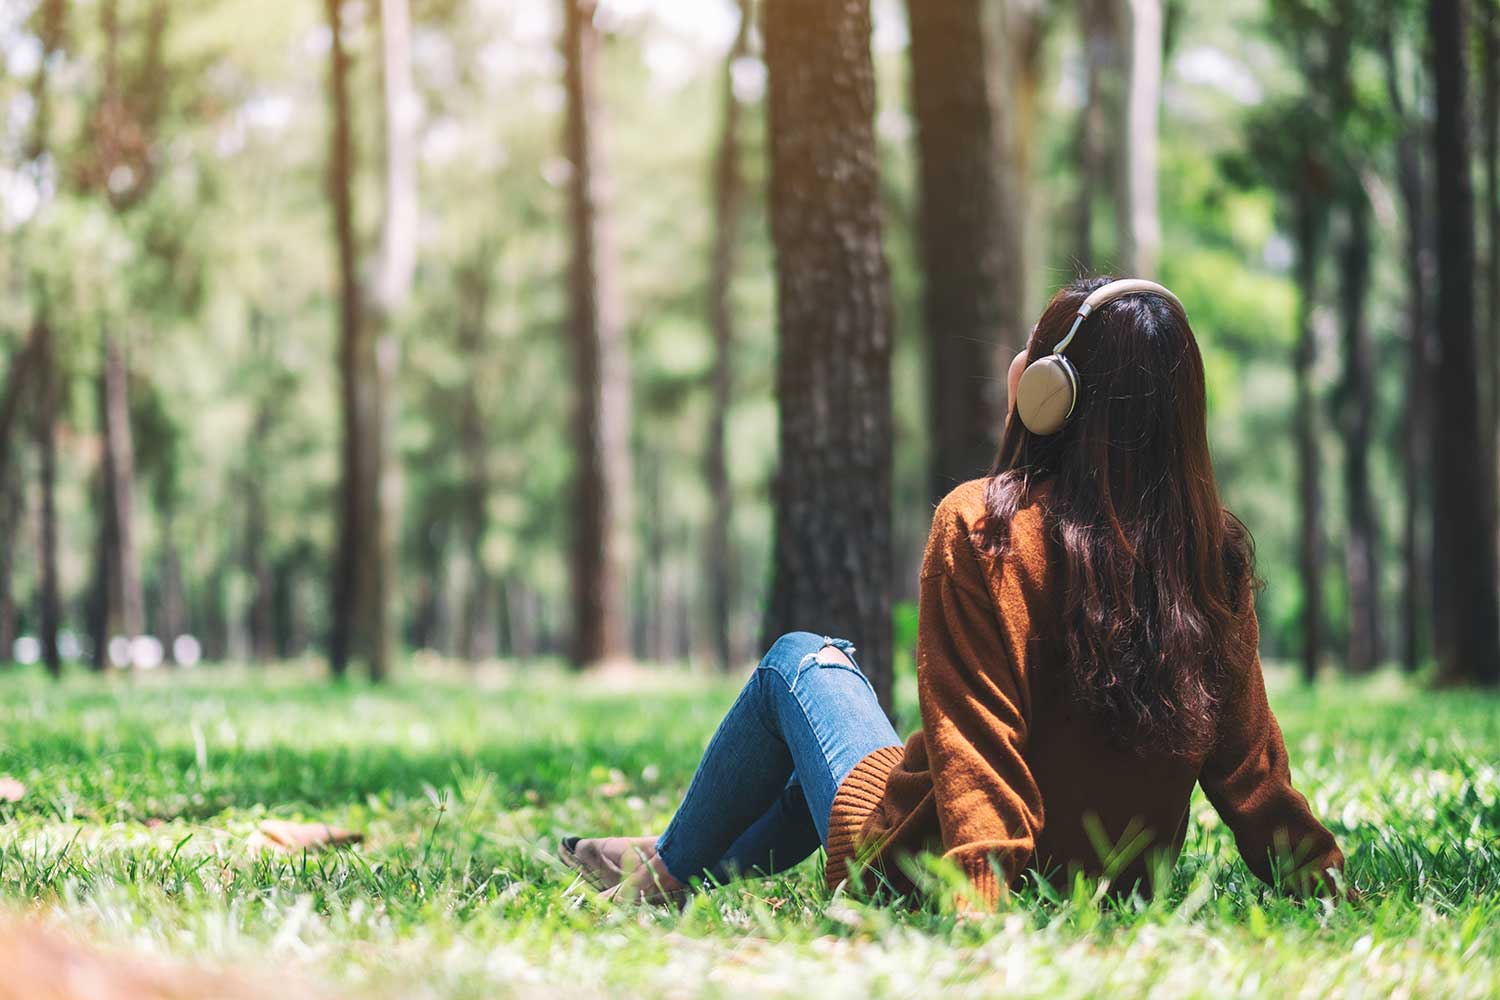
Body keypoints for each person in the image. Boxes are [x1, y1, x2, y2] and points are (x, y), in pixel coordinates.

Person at [561, 277, 1345, 909]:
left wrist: (977, 908)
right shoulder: (1209, 554)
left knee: (800, 663)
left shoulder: (984, 527)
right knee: (815, 776)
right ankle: (674, 862)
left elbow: (978, 743)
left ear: (1047, 392)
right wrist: (1325, 884)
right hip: (1121, 887)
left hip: (920, 870)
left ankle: (666, 869)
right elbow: (1252, 770)